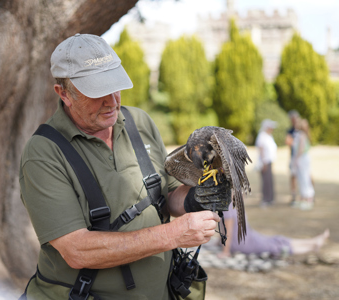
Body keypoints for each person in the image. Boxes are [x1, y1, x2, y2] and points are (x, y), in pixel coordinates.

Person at [19, 33, 229, 300]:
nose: (111, 101)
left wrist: (198, 198)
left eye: (114, 85)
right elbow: (77, 250)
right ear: (64, 94)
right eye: (96, 91)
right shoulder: (44, 152)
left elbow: (168, 196)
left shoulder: (139, 122)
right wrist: (175, 234)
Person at [218, 202, 330, 258]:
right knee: (276, 247)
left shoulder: (229, 202)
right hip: (243, 243)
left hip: (247, 238)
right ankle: (312, 246)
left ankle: (313, 242)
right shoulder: (228, 203)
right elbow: (227, 229)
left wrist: (223, 248)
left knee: (277, 240)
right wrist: (225, 252)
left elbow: (225, 228)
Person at [292, 118, 315, 210]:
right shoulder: (303, 134)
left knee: (304, 178)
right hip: (303, 158)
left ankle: (308, 199)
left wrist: (296, 159)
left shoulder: (302, 135)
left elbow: (300, 149)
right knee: (303, 178)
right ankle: (305, 198)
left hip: (302, 159)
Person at [255, 119, 278, 207]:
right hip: (265, 162)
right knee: (266, 181)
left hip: (269, 162)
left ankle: (270, 198)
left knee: (270, 181)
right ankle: (265, 199)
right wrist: (264, 162)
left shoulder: (269, 136)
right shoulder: (262, 136)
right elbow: (261, 150)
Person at [285, 110, 300, 205]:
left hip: (302, 157)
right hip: (293, 156)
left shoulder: (302, 129)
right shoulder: (290, 130)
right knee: (293, 176)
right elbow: (288, 142)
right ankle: (294, 196)